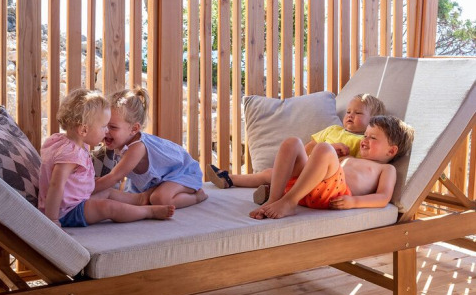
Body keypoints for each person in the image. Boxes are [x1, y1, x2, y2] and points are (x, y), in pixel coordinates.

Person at [207, 93, 386, 203]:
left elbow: (359, 171)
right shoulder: (333, 130)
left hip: (325, 179)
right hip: (306, 168)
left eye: (358, 113)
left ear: (373, 120)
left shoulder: (365, 141)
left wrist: (336, 153)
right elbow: (308, 150)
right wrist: (330, 146)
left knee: (275, 175)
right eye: (348, 111)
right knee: (272, 172)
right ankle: (229, 179)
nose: (350, 115)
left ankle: (276, 194)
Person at [38, 88, 175, 227]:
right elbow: (56, 186)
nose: (106, 131)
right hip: (66, 211)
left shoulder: (63, 141)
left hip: (74, 201)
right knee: (108, 207)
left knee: (108, 192)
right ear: (84, 130)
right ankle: (147, 212)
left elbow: (71, 180)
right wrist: (52, 220)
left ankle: (140, 199)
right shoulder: (70, 155)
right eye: (103, 126)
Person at [249, 115, 414, 219]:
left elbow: (383, 197)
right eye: (365, 135)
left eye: (373, 138)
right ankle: (274, 199)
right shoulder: (350, 158)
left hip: (334, 195)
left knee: (324, 148)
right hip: (308, 188)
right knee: (292, 143)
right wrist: (334, 154)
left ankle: (289, 202)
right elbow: (320, 167)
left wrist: (354, 202)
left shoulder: (386, 170)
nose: (364, 140)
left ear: (391, 150)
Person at [94, 88, 208, 208]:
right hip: (157, 181)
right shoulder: (117, 143)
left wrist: (84, 190)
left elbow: (114, 177)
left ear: (134, 129)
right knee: (126, 198)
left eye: (112, 127)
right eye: (103, 125)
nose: (106, 131)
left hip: (183, 173)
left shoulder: (137, 147)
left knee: (159, 199)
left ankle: (197, 197)